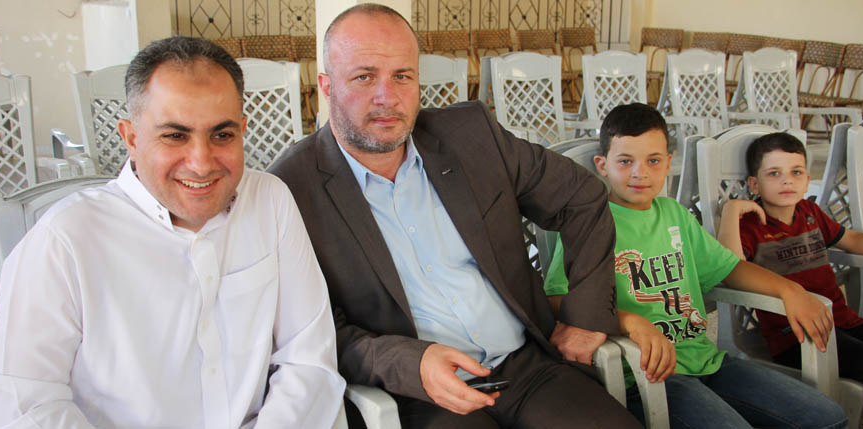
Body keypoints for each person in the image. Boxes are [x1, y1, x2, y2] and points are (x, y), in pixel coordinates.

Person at [269, 4, 640, 428]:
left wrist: (585, 317)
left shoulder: (470, 136)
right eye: (364, 77)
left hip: (529, 370)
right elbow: (309, 336)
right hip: (422, 397)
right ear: (327, 86)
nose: (387, 97)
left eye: (402, 76)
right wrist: (409, 363)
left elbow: (581, 197)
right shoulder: (290, 189)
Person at [0, 36, 345, 428]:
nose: (201, 163)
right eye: (175, 136)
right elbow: (22, 405)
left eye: (222, 135)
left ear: (242, 130)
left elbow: (309, 359)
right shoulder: (66, 240)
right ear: (132, 138)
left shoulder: (269, 201)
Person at [544, 103, 847, 428]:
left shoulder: (674, 214)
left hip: (706, 359)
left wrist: (789, 290)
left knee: (828, 418)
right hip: (645, 375)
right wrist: (630, 321)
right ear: (602, 166)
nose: (639, 173)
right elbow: (557, 298)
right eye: (625, 161)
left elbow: (728, 268)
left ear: (668, 163)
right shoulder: (591, 223)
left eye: (653, 161)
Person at [717, 131, 863, 428]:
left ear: (807, 180)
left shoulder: (810, 212)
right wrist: (731, 210)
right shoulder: (750, 226)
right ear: (754, 184)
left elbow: (854, 240)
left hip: (842, 320)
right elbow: (731, 269)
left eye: (795, 173)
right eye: (774, 173)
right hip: (796, 335)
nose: (787, 181)